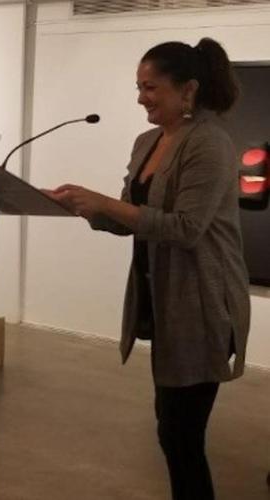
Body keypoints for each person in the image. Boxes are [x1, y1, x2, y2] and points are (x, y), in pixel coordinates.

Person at [49, 38, 250, 500]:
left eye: (151, 87)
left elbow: (186, 228)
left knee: (180, 435)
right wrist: (79, 206)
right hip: (162, 302)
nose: (141, 98)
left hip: (202, 302)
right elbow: (130, 219)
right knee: (172, 429)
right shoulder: (147, 142)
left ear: (188, 89)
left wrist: (104, 203)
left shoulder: (210, 142)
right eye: (138, 87)